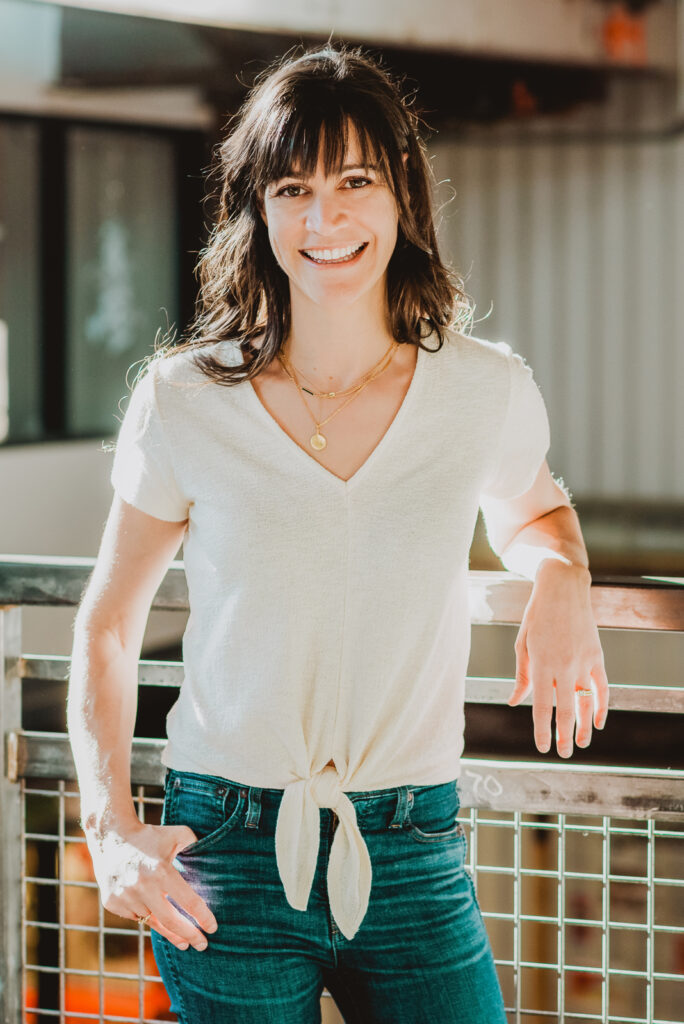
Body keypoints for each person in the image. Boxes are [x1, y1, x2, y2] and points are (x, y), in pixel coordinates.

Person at [67, 42, 609, 1024]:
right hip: (223, 848)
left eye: (355, 181)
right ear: (259, 209)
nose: (327, 219)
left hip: (411, 845)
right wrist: (107, 827)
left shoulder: (482, 391)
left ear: (401, 191)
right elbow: (107, 623)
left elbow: (533, 509)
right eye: (293, 187)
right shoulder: (184, 399)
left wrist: (563, 577)